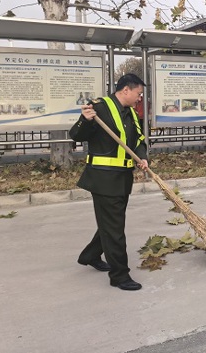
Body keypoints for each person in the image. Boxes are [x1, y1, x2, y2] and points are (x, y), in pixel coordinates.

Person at [70, 74, 149, 291]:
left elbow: (139, 139)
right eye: (138, 94)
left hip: (122, 178)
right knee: (115, 229)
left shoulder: (131, 113)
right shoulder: (99, 108)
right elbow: (76, 135)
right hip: (103, 179)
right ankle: (119, 276)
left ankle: (90, 255)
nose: (139, 98)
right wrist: (85, 119)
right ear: (126, 90)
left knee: (111, 223)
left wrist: (142, 157)